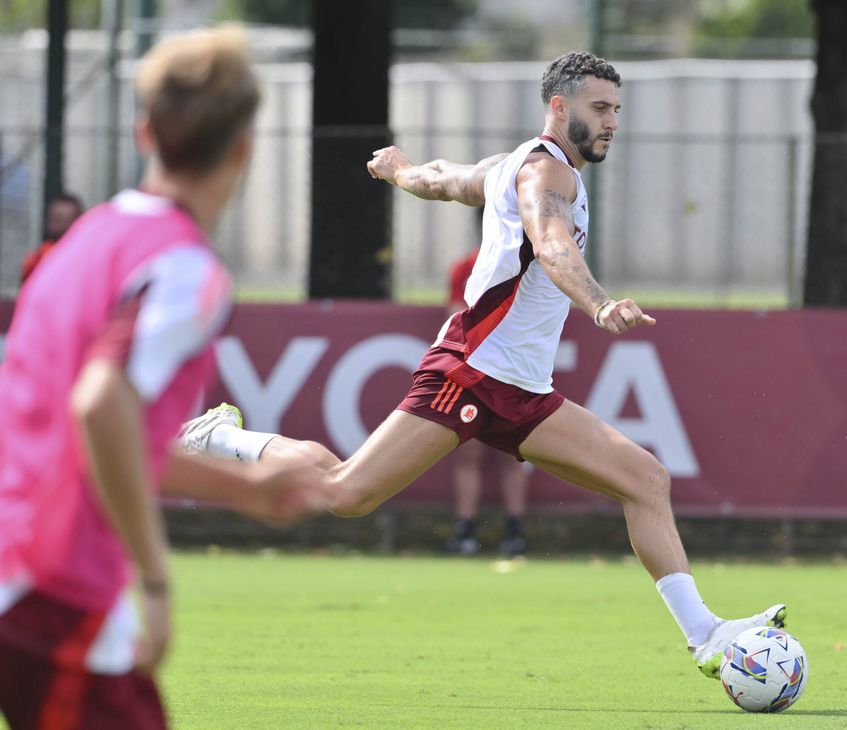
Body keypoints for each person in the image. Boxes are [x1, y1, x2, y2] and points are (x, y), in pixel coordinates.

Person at [181, 51, 785, 683]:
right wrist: (600, 305)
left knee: (646, 480)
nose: (611, 122)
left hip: (522, 391)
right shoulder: (546, 176)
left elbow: (445, 179)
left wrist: (401, 169)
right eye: (600, 108)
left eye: (616, 110)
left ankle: (705, 636)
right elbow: (551, 245)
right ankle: (220, 436)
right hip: (470, 373)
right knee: (345, 495)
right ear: (559, 107)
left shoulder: (510, 167)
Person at [0, 28, 333, 729]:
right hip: (51, 581)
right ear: (243, 149)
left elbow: (91, 431)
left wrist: (242, 487)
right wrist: (156, 577)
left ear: (143, 130)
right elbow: (100, 407)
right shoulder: (185, 269)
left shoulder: (82, 238)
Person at [444, 220, 531, 557]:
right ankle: (487, 532)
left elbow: (458, 318)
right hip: (491, 371)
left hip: (500, 372)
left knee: (506, 454)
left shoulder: (471, 265)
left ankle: (504, 532)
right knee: (480, 453)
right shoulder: (471, 266)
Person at [20, 191, 83, 284]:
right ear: (48, 221)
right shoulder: (37, 259)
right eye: (59, 219)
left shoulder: (89, 258)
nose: (64, 224)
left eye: (70, 219)